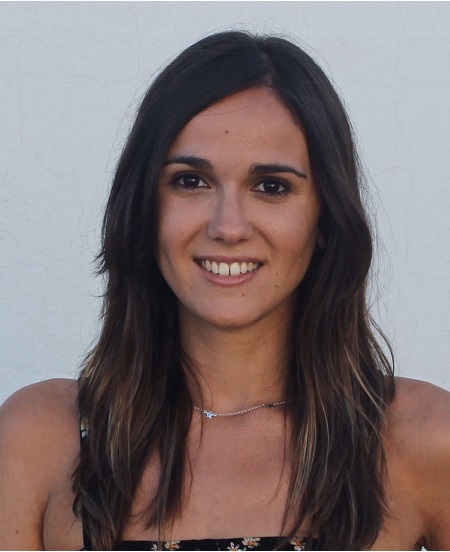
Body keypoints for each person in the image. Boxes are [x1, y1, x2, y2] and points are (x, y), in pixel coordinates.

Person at [0, 30, 449, 552]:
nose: (228, 226)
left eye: (272, 187)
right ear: (144, 206)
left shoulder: (423, 439)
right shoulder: (39, 440)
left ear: (325, 216)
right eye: (191, 181)